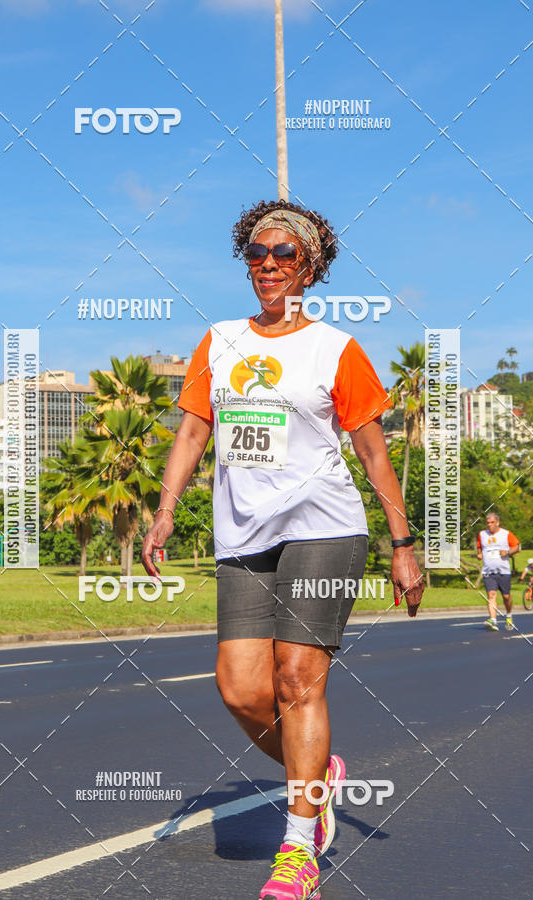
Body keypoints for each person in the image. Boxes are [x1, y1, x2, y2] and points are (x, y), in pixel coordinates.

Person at [142, 199, 424, 900]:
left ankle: (297, 851)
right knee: (241, 687)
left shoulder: (336, 350)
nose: (268, 265)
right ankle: (317, 777)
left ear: (310, 265)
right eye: (257, 254)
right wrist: (166, 509)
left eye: (284, 254)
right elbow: (191, 432)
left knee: (299, 678)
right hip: (244, 534)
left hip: (324, 528)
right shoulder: (220, 340)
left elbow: (370, 450)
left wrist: (403, 542)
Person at [477, 512, 519, 631]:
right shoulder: (482, 534)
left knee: (506, 596)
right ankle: (493, 620)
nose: (489, 525)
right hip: (488, 571)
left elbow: (516, 546)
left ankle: (509, 615)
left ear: (497, 522)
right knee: (491, 595)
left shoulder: (506, 534)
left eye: (492, 522)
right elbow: (480, 546)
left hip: (503, 571)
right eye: (488, 523)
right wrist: (479, 554)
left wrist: (508, 553)